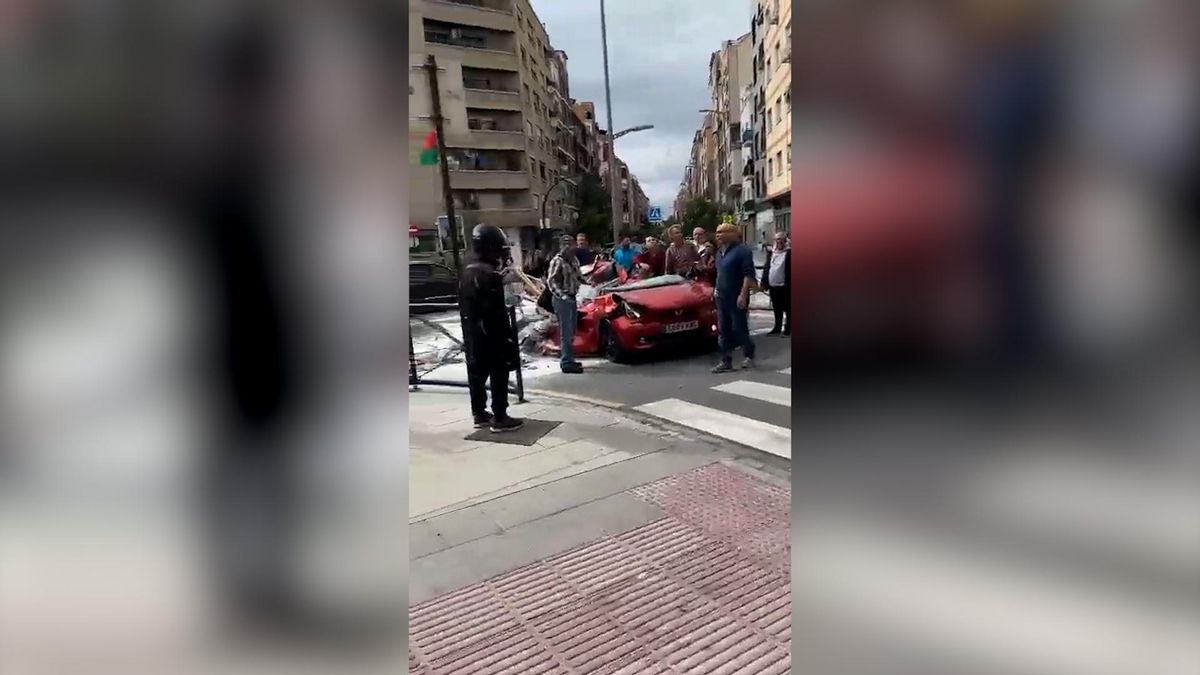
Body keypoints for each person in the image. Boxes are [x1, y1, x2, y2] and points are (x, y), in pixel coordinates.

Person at [459, 224, 524, 432]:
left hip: (472, 332)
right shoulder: (489, 275)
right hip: (491, 333)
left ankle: (479, 413)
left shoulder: (468, 268)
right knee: (499, 371)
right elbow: (495, 308)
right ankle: (500, 416)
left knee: (476, 373)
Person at [712, 222, 757, 372]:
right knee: (723, 328)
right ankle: (726, 361)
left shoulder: (742, 251)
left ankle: (749, 355)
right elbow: (719, 273)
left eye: (721, 232)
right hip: (722, 296)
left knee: (739, 327)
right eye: (717, 232)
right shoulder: (719, 252)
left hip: (736, 295)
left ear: (732, 234)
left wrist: (743, 295)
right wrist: (716, 290)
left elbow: (748, 274)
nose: (718, 235)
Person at [546, 234, 585, 374]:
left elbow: (578, 275)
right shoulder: (557, 261)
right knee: (566, 332)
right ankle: (566, 362)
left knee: (572, 330)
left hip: (572, 297)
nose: (569, 247)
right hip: (562, 299)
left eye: (571, 244)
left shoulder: (573, 259)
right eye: (566, 244)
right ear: (562, 246)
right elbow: (552, 281)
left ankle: (570, 358)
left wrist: (588, 282)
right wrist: (562, 295)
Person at [761, 231, 791, 335]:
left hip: (785, 286)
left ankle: (788, 328)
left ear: (785, 240)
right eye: (777, 239)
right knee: (776, 308)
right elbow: (767, 268)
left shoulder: (789, 253)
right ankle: (777, 327)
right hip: (773, 285)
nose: (779, 242)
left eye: (781, 239)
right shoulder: (771, 253)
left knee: (788, 308)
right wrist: (764, 282)